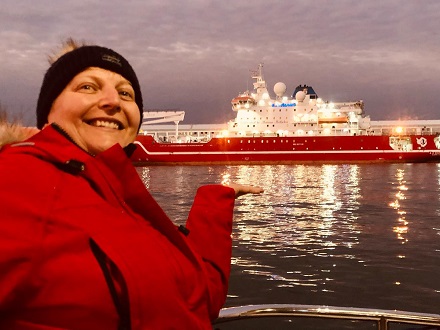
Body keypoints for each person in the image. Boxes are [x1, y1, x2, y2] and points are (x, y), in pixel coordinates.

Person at [0, 39, 263, 329]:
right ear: (48, 111)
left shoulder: (122, 196)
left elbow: (196, 300)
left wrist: (214, 204)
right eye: (87, 86)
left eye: (126, 93)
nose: (113, 101)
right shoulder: (15, 178)